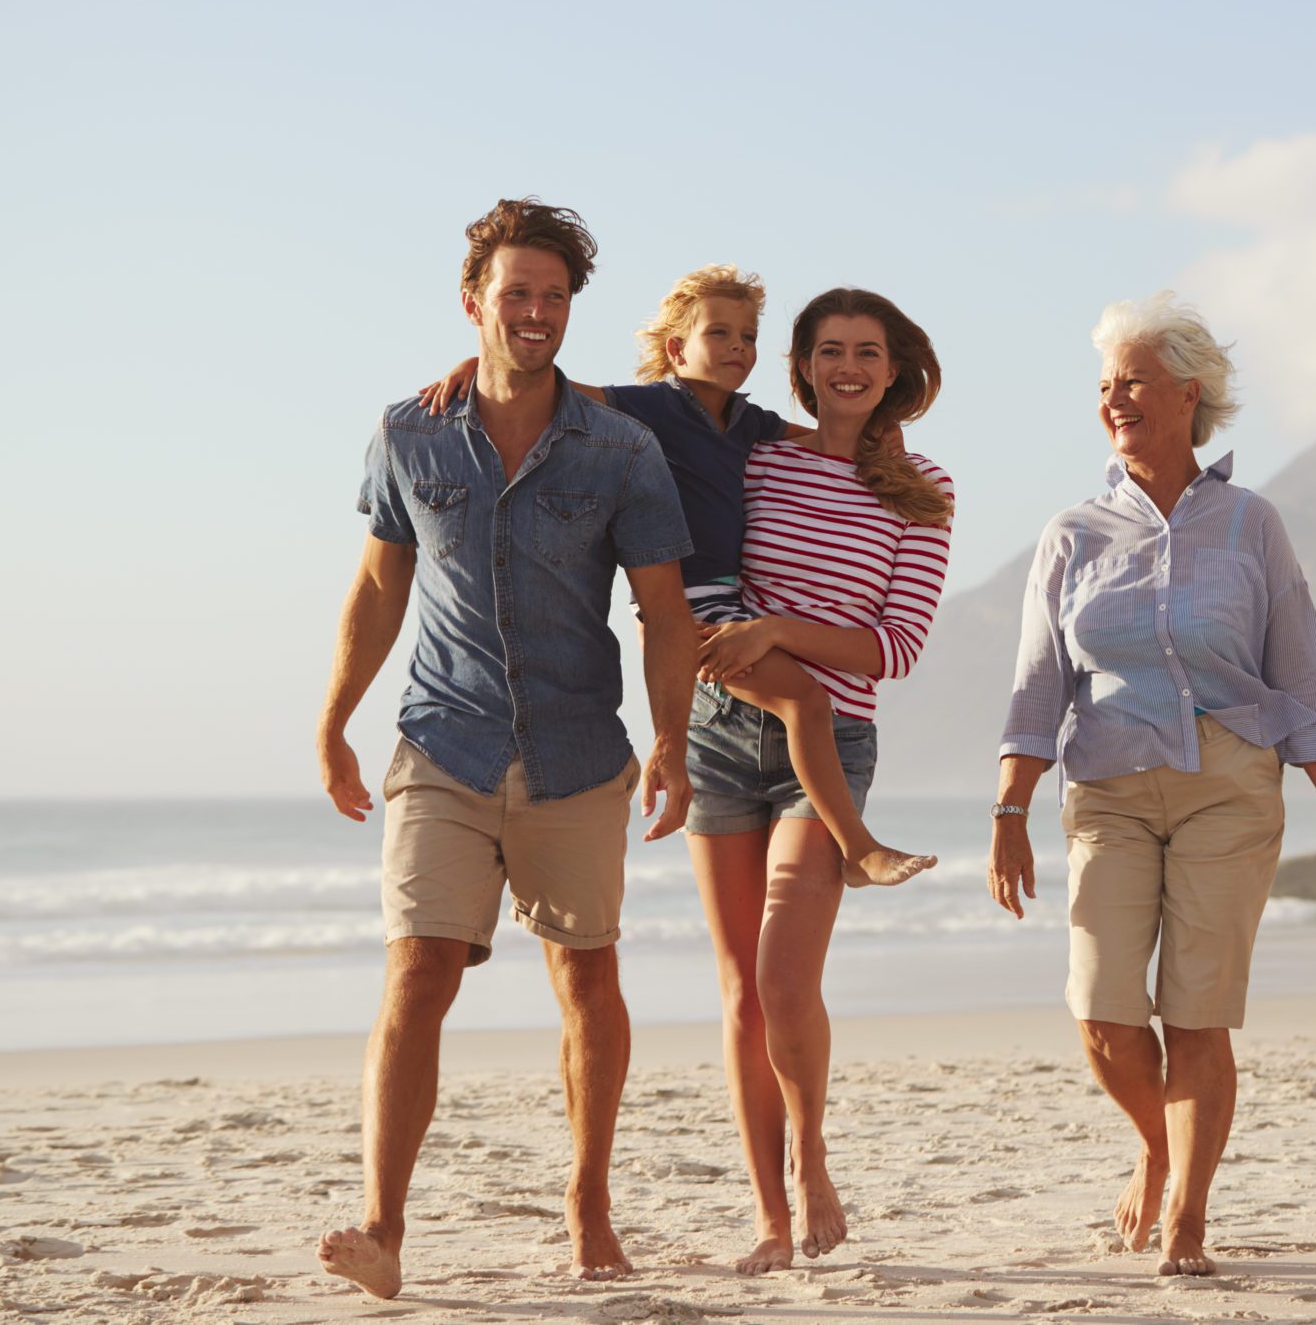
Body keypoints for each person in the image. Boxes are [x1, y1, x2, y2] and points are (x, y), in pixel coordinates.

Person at [313, 200, 699, 1298]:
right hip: (443, 739)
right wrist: (335, 718)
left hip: (579, 750)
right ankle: (382, 1228)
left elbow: (663, 611)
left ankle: (588, 1203)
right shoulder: (410, 433)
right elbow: (381, 584)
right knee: (417, 971)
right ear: (473, 299)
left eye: (554, 296)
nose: (534, 312)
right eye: (516, 292)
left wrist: (669, 742)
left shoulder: (621, 446)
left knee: (587, 978)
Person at [988, 292, 1316, 1278]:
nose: (1116, 398)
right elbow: (1039, 679)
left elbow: (1301, 670)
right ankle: (1158, 1152)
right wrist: (1007, 808)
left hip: (1228, 785)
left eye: (1134, 381)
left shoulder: (1252, 524)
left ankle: (1187, 1220)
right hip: (1108, 787)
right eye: (1106, 384)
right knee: (1104, 1009)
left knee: (1196, 1011)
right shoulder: (1071, 531)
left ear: (1188, 394)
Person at [422, 265, 933, 887]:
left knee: (804, 704)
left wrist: (885, 438)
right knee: (805, 699)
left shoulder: (750, 424)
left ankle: (853, 845)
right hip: (683, 605)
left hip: (730, 604)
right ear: (675, 349)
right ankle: (859, 847)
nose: (737, 349)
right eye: (719, 334)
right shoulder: (655, 407)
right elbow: (557, 390)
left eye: (747, 337)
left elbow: (822, 437)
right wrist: (476, 370)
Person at [682, 286, 955, 1275]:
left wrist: (781, 630)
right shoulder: (755, 460)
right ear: (799, 366)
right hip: (720, 731)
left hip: (830, 745)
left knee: (784, 980)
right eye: (829, 350)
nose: (848, 367)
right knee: (740, 995)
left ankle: (813, 1165)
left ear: (894, 370)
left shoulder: (922, 489)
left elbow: (896, 647)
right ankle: (766, 1215)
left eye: (867, 352)